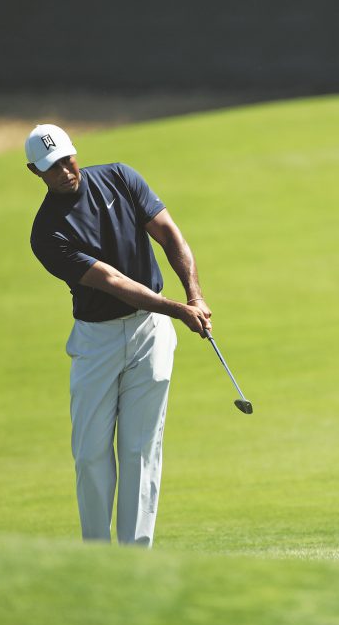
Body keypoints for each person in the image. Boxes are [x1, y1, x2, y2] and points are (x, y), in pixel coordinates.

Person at [26, 124, 211, 546]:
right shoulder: (46, 233)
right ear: (35, 172)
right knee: (91, 454)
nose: (65, 170)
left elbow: (169, 234)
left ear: (76, 151)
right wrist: (179, 311)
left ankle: (133, 562)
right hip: (98, 341)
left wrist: (194, 296)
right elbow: (111, 281)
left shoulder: (120, 177)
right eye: (51, 167)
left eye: (67, 159)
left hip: (151, 334)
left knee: (141, 451)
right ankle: (98, 558)